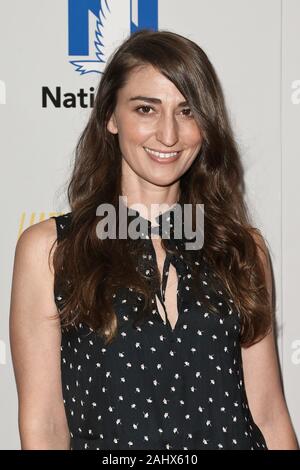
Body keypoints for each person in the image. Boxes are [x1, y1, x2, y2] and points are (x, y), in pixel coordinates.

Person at [9, 29, 298, 450]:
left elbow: (269, 413)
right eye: (146, 109)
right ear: (111, 116)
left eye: (187, 111)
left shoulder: (242, 249)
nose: (169, 134)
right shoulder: (51, 250)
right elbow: (45, 424)